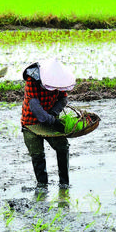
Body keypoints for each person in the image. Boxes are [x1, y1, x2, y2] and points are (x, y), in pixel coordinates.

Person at [21, 58, 75, 187]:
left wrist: (53, 114)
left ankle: (64, 183)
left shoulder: (59, 79)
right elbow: (34, 106)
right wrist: (50, 119)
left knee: (62, 146)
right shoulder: (32, 78)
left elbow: (63, 99)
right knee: (37, 154)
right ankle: (42, 185)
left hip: (49, 119)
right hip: (31, 122)